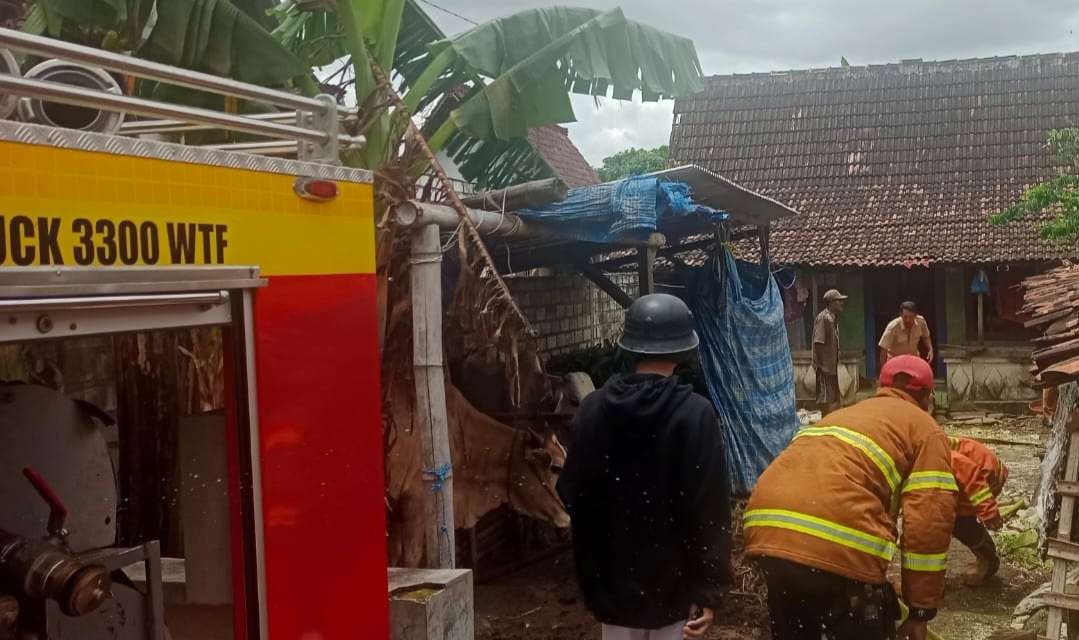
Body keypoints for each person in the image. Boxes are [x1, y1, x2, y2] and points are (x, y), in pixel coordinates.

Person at [744, 355, 958, 640]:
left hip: (768, 530)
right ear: (927, 396)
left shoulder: (843, 415)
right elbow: (928, 523)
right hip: (836, 539)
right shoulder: (926, 430)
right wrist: (920, 610)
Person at [557, 293, 731, 640]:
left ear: (630, 346)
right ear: (684, 350)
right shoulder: (695, 414)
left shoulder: (591, 410)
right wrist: (708, 590)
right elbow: (709, 512)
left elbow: (571, 492)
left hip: (612, 589)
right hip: (673, 592)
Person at [948, 436, 1009, 587]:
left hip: (984, 473)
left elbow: (967, 471)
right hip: (971, 472)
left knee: (956, 520)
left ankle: (987, 561)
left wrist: (988, 511)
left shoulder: (927, 451)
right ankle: (986, 556)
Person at [813, 289, 848, 413]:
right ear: (831, 303)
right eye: (838, 301)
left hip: (832, 365)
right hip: (825, 366)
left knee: (832, 396)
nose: (841, 303)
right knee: (825, 397)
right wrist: (822, 365)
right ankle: (825, 422)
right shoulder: (823, 318)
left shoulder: (832, 318)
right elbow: (819, 342)